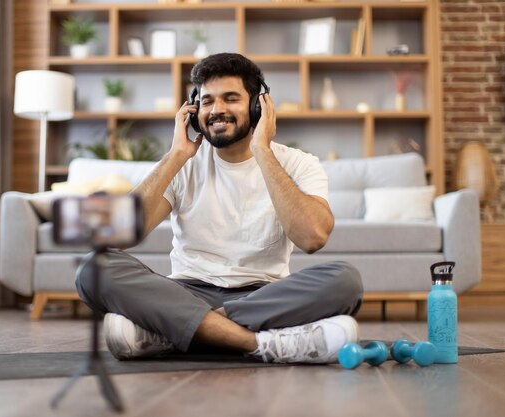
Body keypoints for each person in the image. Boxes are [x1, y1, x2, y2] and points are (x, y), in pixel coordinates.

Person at [76, 53, 363, 364]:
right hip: (186, 292)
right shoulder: (183, 165)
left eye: (231, 99)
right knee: (94, 269)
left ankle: (172, 331)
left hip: (263, 296)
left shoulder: (298, 163)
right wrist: (175, 156)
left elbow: (313, 238)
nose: (217, 110)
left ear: (258, 106)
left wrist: (262, 151)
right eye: (208, 100)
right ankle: (259, 343)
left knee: (345, 280)